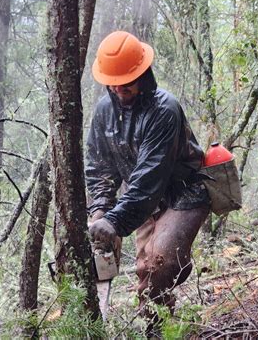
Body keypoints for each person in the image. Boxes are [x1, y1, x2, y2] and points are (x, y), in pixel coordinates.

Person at [85, 31, 210, 330]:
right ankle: (156, 327)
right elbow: (99, 167)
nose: (118, 88)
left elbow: (150, 177)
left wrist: (116, 221)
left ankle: (160, 322)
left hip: (184, 195)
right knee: (148, 272)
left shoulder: (164, 110)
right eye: (112, 82)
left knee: (157, 264)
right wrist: (100, 212)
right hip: (142, 202)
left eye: (125, 82)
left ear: (142, 74)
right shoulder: (104, 111)